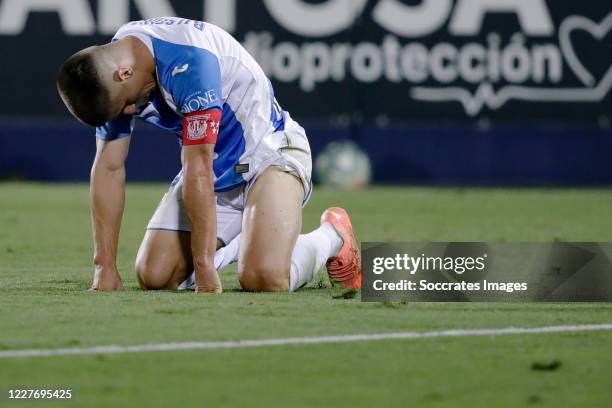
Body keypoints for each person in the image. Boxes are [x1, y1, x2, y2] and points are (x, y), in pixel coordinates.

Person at [56, 17, 361, 293]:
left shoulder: (189, 61)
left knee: (263, 278)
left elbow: (198, 166)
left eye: (125, 105)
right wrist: (104, 266)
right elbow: (109, 168)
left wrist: (204, 267)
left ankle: (332, 236)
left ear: (124, 73)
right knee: (155, 276)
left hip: (268, 157)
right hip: (213, 171)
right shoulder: (113, 70)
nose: (129, 112)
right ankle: (258, 234)